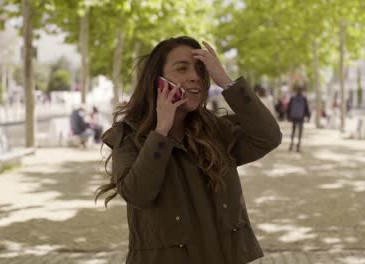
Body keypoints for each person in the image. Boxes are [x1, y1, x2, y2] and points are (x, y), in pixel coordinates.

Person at [95, 36, 282, 264]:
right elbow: (138, 194)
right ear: (157, 80)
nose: (195, 76)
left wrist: (225, 81)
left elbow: (268, 137)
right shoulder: (128, 135)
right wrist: (160, 131)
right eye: (182, 68)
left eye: (201, 71)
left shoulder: (215, 130)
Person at [287, 84, 310, 152]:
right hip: (301, 117)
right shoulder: (304, 98)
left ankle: (291, 144)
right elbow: (307, 108)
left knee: (293, 130)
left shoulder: (292, 98)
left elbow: (289, 108)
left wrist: (288, 116)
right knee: (300, 131)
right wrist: (308, 116)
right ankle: (298, 145)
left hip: (294, 116)